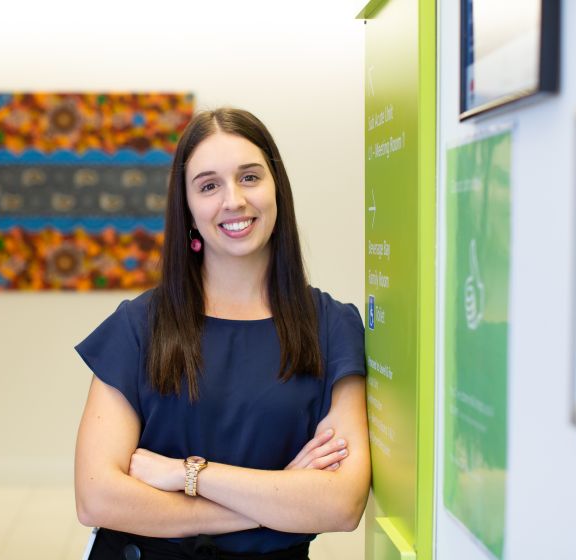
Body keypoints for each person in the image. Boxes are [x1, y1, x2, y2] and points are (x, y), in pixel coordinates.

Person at [74, 108, 370, 560]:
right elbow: (96, 498)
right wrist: (282, 495)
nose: (233, 200)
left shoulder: (331, 327)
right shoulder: (139, 326)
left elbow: (342, 503)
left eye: (249, 177)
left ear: (277, 189)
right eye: (209, 185)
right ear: (189, 209)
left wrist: (187, 474)